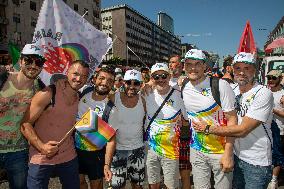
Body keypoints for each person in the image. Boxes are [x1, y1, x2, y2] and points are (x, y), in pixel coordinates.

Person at [193, 52, 274, 189]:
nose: (242, 72)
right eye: (238, 68)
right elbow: (204, 86)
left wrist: (208, 128)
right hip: (235, 156)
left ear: (254, 70)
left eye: (247, 68)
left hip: (257, 162)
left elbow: (243, 130)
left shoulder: (263, 93)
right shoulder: (232, 89)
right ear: (232, 69)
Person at [21, 60, 89, 189]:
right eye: (75, 73)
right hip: (40, 156)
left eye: (84, 76)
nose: (79, 79)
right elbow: (25, 124)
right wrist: (42, 147)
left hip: (68, 156)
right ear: (67, 72)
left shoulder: (80, 99)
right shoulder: (48, 93)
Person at [182, 49, 237, 189]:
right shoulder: (184, 86)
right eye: (188, 64)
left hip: (220, 151)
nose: (193, 68)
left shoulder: (220, 85)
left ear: (205, 66)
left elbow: (232, 120)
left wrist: (228, 153)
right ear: (184, 66)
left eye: (197, 64)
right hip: (197, 150)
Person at [0, 44, 45, 189]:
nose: (33, 65)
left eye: (38, 62)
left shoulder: (40, 89)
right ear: (20, 61)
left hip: (18, 152)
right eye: (29, 60)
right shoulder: (2, 79)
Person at [145, 63, 188, 189]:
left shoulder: (179, 94)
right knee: (153, 184)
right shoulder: (146, 94)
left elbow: (186, 121)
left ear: (169, 77)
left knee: (171, 185)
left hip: (171, 149)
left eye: (163, 76)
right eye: (156, 77)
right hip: (150, 148)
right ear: (152, 79)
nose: (160, 79)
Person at [75, 66, 116, 189]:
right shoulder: (83, 92)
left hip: (97, 154)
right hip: (76, 150)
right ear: (94, 79)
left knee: (96, 186)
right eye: (101, 78)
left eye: (109, 81)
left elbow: (111, 140)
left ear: (113, 84)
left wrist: (107, 164)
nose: (104, 83)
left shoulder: (112, 107)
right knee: (79, 183)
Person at [110, 69, 146, 189]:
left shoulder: (144, 100)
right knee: (117, 186)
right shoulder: (113, 98)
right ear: (123, 83)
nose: (131, 86)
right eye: (128, 82)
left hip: (138, 150)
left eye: (136, 83)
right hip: (117, 150)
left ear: (141, 85)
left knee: (137, 185)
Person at [169, 55, 191, 189]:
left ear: (181, 65)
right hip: (169, 132)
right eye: (170, 63)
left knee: (184, 170)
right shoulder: (163, 80)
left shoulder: (188, 81)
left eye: (174, 62)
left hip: (184, 131)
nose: (172, 65)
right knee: (170, 171)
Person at [266, 70, 284, 189]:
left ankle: (274, 180)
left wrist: (271, 109)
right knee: (268, 155)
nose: (271, 80)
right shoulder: (265, 91)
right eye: (269, 78)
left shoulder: (283, 94)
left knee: (278, 156)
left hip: (280, 131)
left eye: (274, 78)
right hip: (266, 130)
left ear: (280, 78)